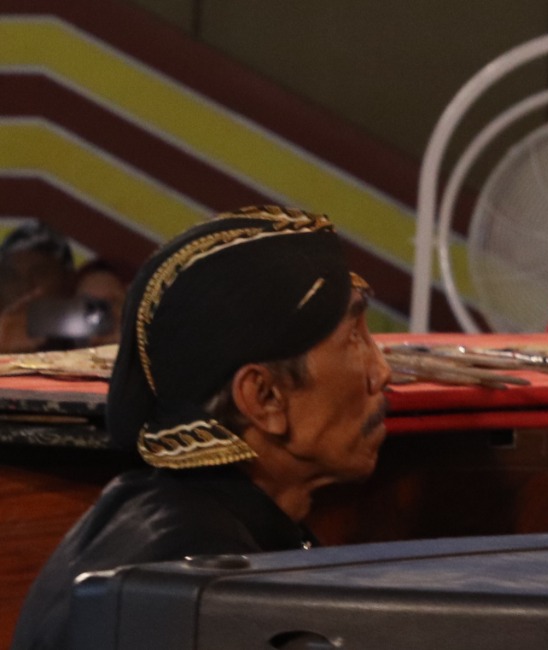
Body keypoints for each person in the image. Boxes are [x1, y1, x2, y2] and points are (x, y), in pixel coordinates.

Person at [11, 208, 391, 650]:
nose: (381, 372)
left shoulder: (168, 518)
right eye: (353, 339)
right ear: (264, 398)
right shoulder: (199, 584)